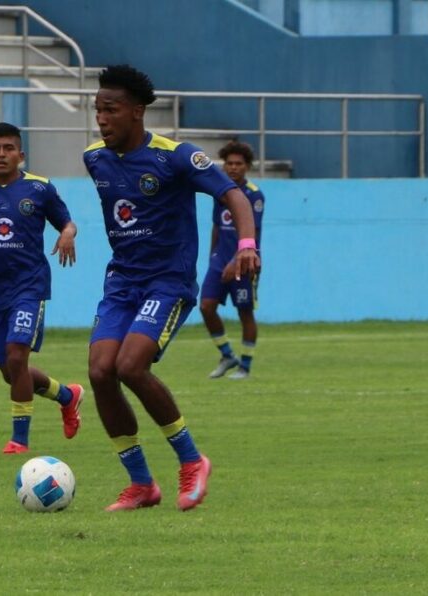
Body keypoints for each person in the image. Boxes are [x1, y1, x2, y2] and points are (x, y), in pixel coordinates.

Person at [83, 65, 260, 512]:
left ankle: (191, 459)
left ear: (137, 112)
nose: (101, 119)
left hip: (168, 282)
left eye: (111, 110)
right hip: (122, 281)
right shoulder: (95, 158)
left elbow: (233, 195)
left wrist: (245, 244)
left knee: (131, 366)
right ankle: (141, 484)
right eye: (97, 109)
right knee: (101, 371)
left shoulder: (176, 157)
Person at [0, 122, 83, 455]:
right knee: (12, 373)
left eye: (8, 148)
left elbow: (67, 221)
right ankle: (67, 396)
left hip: (30, 286)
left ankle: (19, 440)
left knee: (17, 355)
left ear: (21, 154)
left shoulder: (40, 189)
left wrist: (67, 233)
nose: (2, 154)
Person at [200, 141, 265, 380]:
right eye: (229, 163)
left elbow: (253, 235)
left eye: (239, 164)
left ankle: (245, 366)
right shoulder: (220, 192)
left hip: (245, 262)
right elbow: (217, 227)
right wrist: (212, 258)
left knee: (244, 313)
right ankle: (227, 354)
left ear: (247, 166)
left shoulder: (254, 194)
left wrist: (236, 260)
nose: (233, 168)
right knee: (206, 306)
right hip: (220, 259)